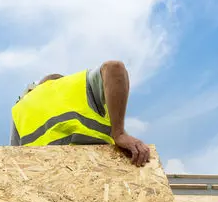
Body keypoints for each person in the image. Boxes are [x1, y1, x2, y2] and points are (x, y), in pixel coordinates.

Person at [9, 61, 150, 166]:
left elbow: (12, 161)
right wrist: (119, 134)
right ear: (62, 80)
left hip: (41, 178)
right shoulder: (76, 85)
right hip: (99, 168)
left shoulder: (20, 108)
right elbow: (114, 68)